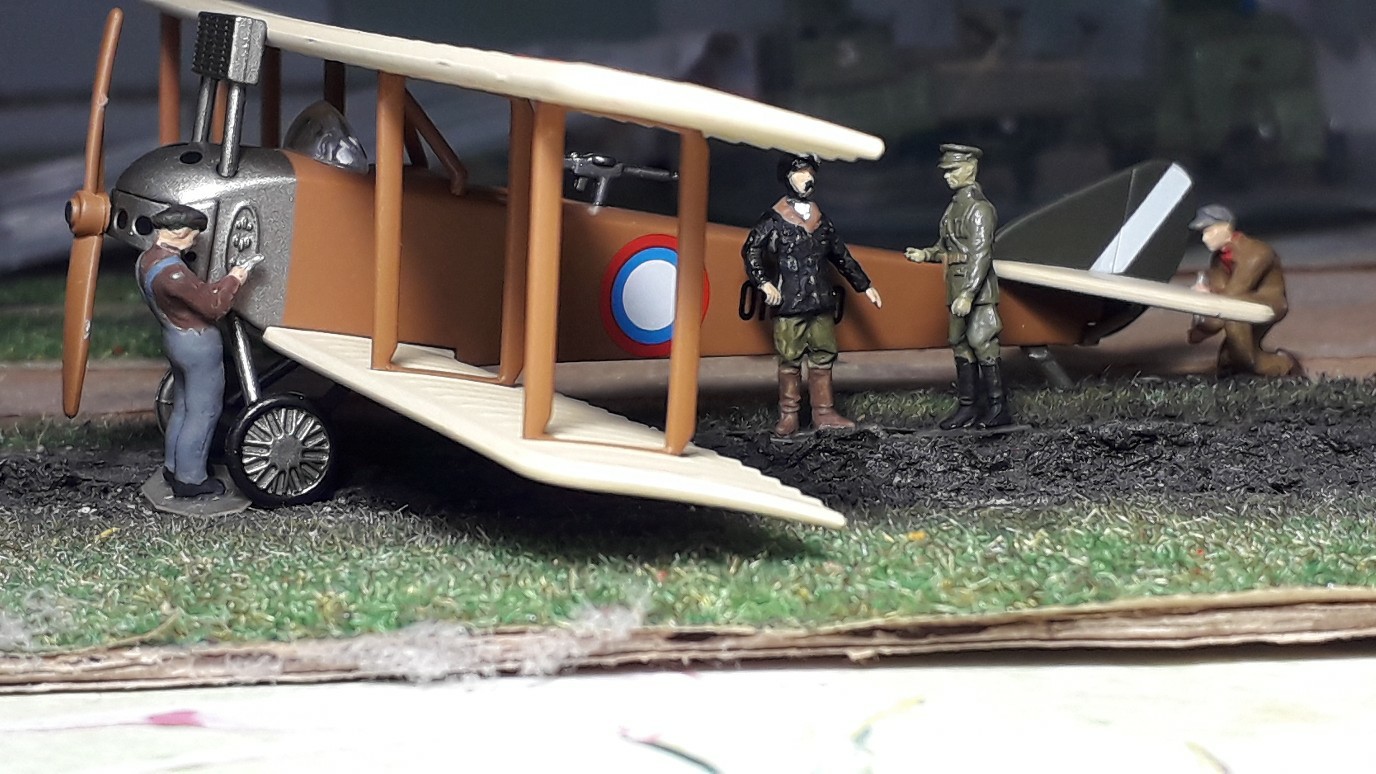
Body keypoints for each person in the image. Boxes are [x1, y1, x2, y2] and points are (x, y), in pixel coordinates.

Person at [741, 154, 882, 437]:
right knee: (789, 359)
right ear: (788, 178)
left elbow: (841, 255)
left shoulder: (821, 221)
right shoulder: (774, 220)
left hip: (820, 301)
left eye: (809, 173)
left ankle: (824, 412)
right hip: (789, 302)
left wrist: (865, 285)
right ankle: (789, 415)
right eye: (800, 173)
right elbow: (751, 250)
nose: (807, 179)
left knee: (823, 355)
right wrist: (764, 283)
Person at [136, 204, 261, 497]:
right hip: (196, 343)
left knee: (183, 406)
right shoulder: (174, 274)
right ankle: (191, 478)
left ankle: (174, 465)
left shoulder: (146, 259)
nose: (194, 241)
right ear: (180, 232)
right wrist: (236, 277)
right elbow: (213, 305)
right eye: (193, 234)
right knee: (204, 411)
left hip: (174, 337)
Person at [905, 143, 1014, 430]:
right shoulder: (955, 207)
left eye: (953, 170)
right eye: (946, 170)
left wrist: (968, 294)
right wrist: (926, 254)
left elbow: (980, 255)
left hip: (976, 293)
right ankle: (968, 407)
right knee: (960, 345)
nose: (947, 176)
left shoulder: (979, 209)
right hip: (956, 288)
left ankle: (998, 407)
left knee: (982, 343)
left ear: (970, 167)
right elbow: (946, 247)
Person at [1185, 204, 1302, 377]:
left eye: (1209, 231)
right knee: (1226, 360)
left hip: (1268, 302)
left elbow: (1230, 297)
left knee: (1242, 349)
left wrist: (1203, 329)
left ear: (1226, 228)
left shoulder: (1256, 253)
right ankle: (1238, 371)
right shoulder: (1218, 258)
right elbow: (1220, 290)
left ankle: (1284, 365)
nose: (1204, 239)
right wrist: (1207, 294)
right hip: (1239, 302)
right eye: (1203, 233)